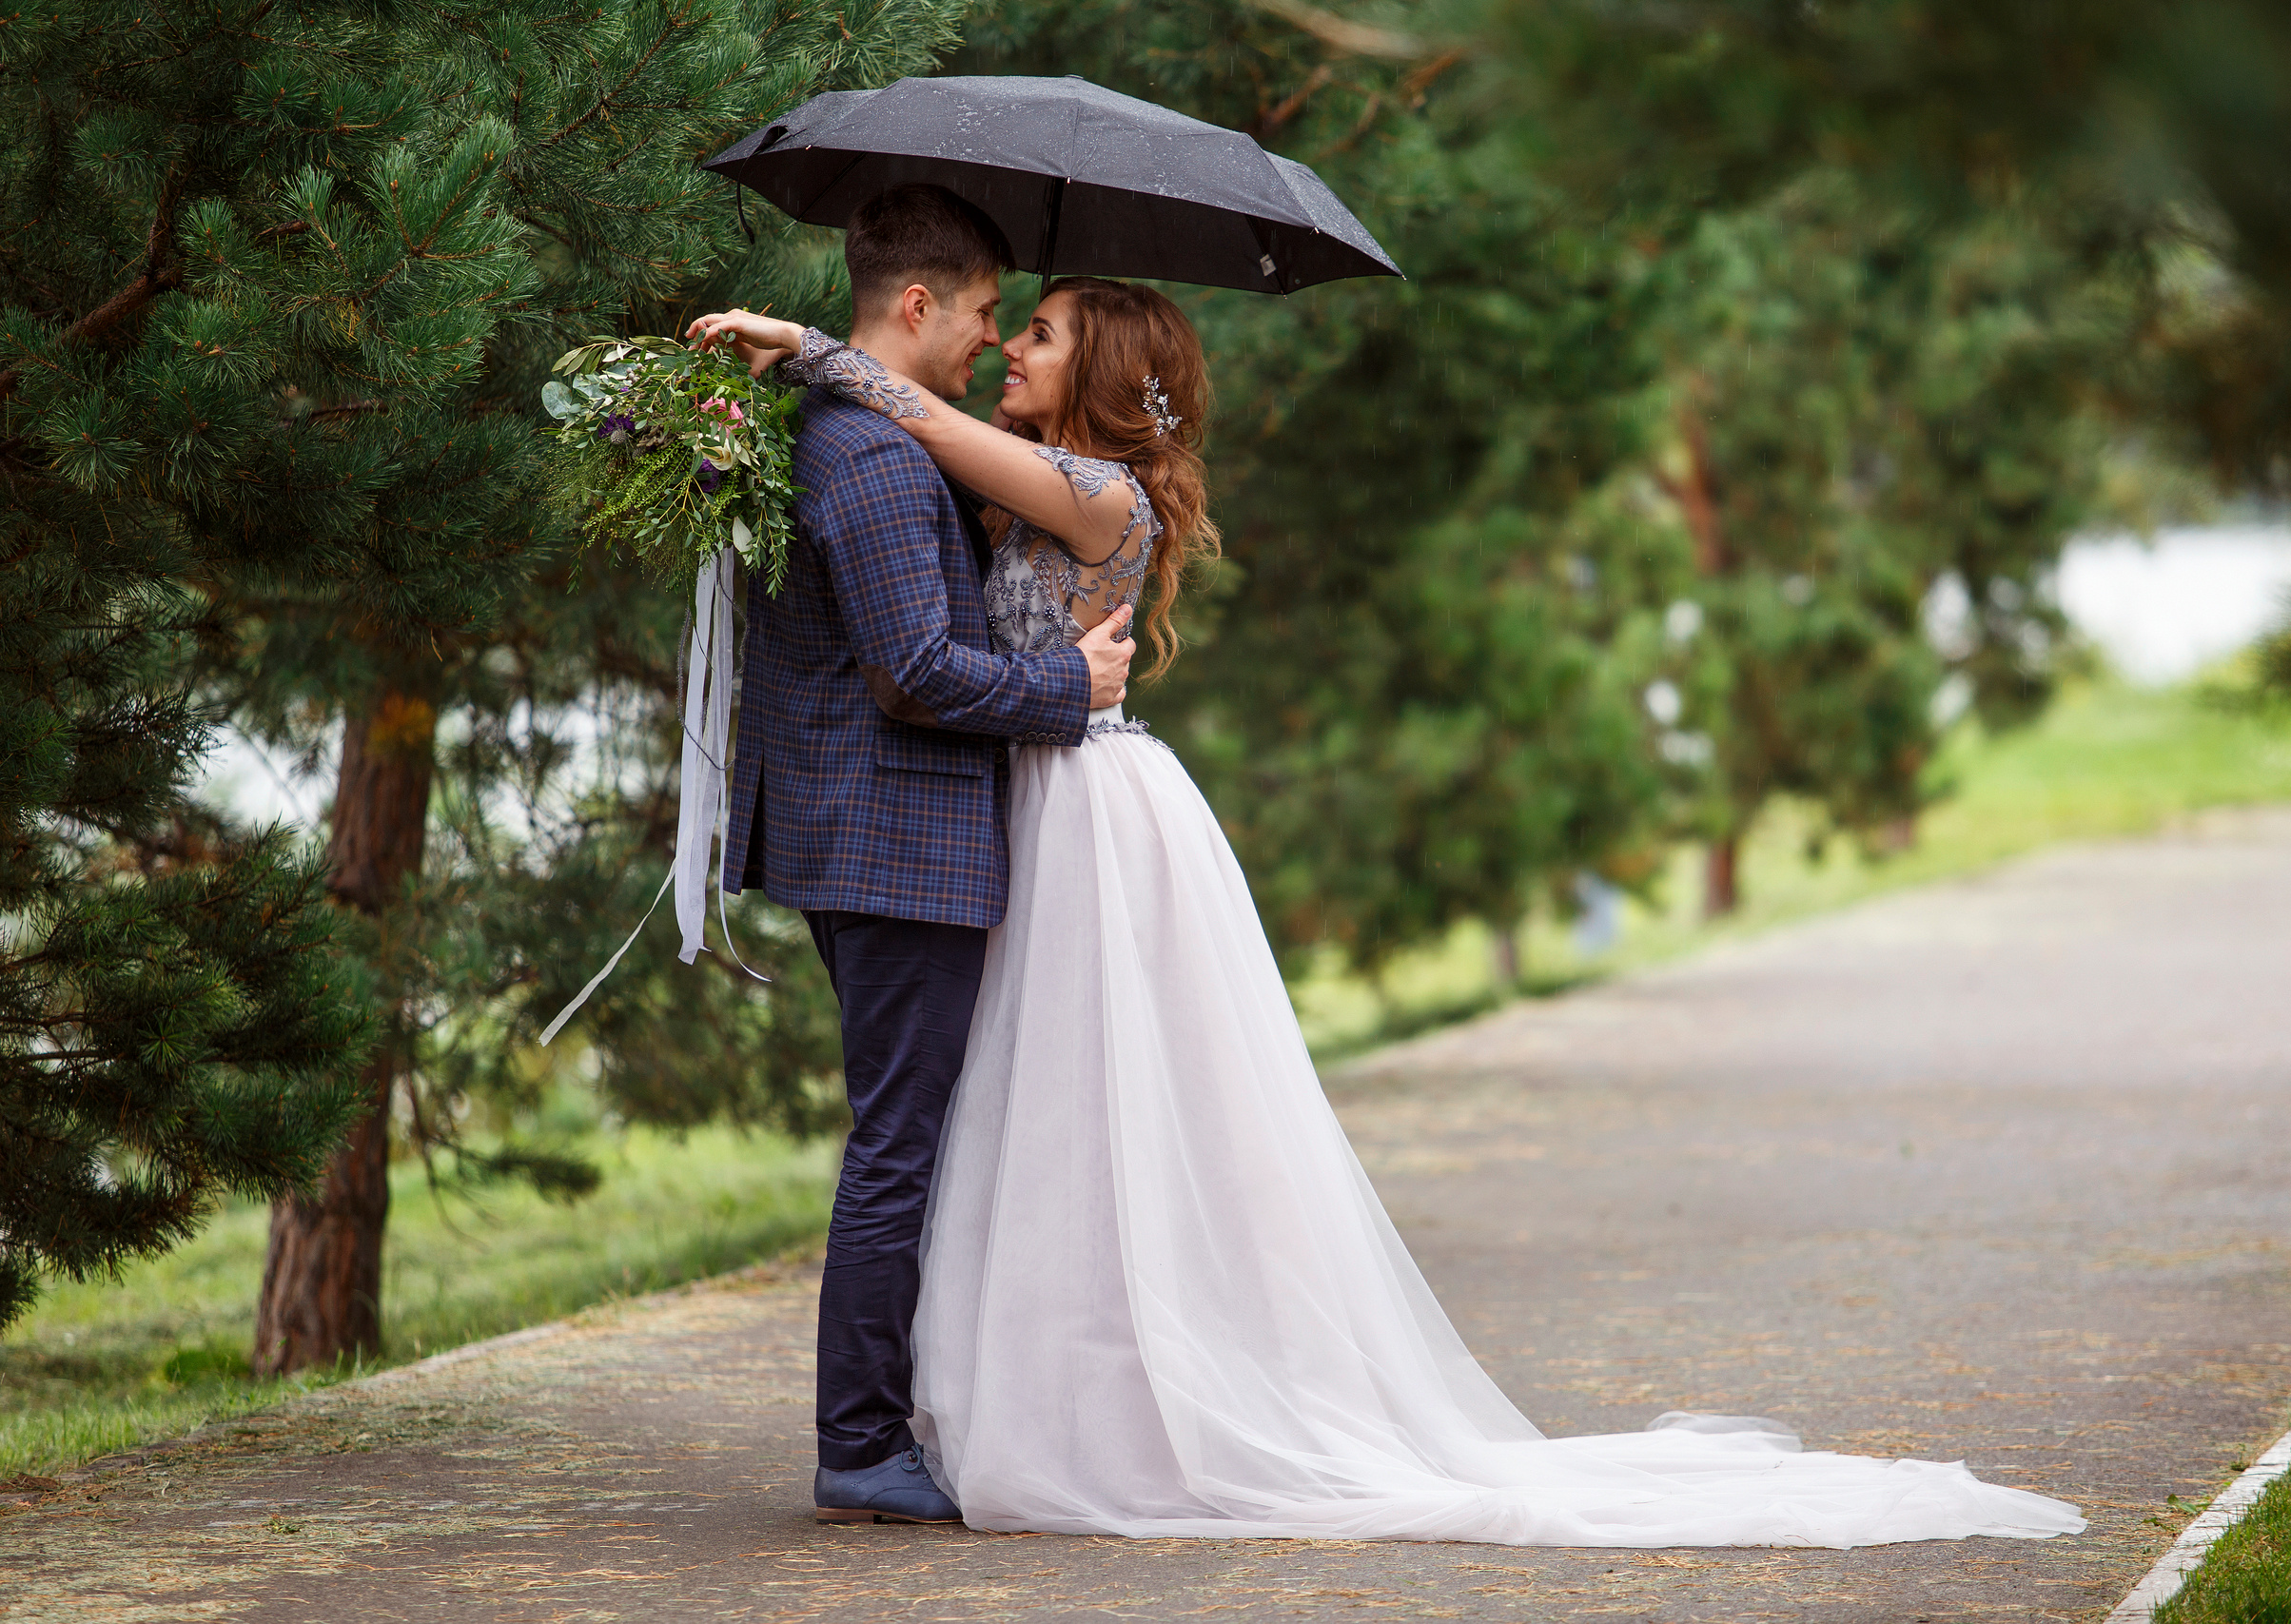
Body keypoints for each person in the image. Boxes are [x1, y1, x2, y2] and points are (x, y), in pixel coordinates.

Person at [689, 268, 2087, 1548]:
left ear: (1102, 373)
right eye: (1010, 322)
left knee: (1093, 1110)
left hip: (1091, 809)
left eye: (1038, 332)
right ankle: (1018, 1397)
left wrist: (812, 351)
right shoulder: (1033, 484)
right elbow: (926, 472)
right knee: (1033, 1118)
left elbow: (914, 413)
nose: (1009, 347)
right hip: (1032, 799)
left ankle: (1077, 1411)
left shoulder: (1093, 494)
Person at [697, 185, 1136, 1526]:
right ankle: (861, 1444)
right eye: (990, 314)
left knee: (922, 1135)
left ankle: (910, 1420)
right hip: (897, 838)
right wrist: (1073, 689)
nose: (990, 342)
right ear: (916, 304)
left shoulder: (843, 432)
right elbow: (913, 677)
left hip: (877, 834)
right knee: (900, 1145)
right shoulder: (876, 456)